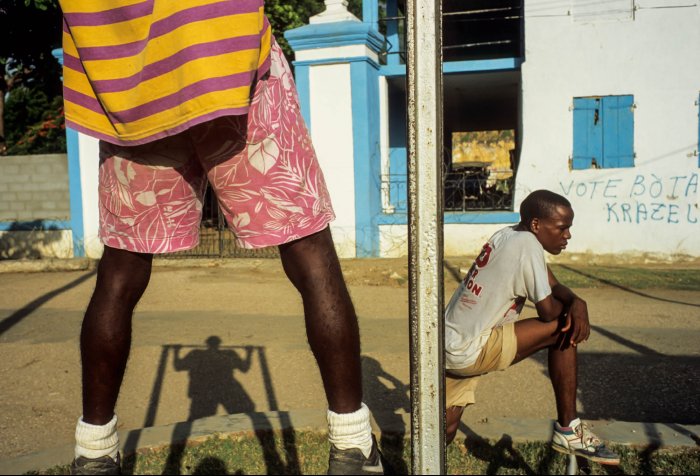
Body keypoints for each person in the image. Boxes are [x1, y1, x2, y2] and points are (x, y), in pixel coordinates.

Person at [58, 1, 383, 474]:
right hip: (225, 52)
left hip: (130, 80)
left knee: (120, 270)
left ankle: (93, 449)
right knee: (310, 251)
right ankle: (353, 445)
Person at [443, 189, 620, 466]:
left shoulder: (509, 235)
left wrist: (576, 300)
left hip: (448, 342)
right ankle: (569, 429)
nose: (568, 235)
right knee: (563, 326)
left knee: (445, 427)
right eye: (562, 228)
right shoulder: (527, 245)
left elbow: (553, 285)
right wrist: (574, 312)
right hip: (470, 348)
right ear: (537, 225)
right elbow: (548, 312)